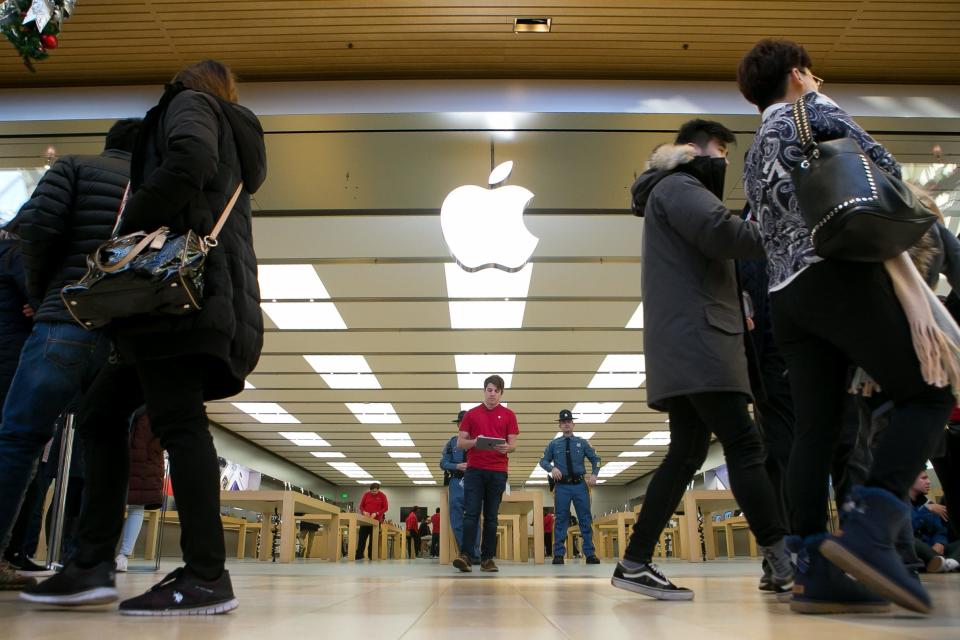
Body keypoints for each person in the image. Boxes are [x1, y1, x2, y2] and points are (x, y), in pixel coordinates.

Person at [23, 60, 267, 616]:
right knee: (102, 411)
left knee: (176, 423)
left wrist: (126, 228)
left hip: (176, 304)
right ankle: (90, 564)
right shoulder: (233, 128)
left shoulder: (190, 105)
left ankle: (206, 574)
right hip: (194, 302)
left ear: (185, 80)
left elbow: (188, 161)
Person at [738, 38, 954, 615]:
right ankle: (871, 528)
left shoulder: (754, 149)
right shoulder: (815, 111)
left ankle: (812, 571)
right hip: (837, 274)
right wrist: (819, 99)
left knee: (816, 428)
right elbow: (883, 170)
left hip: (787, 298)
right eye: (809, 70)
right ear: (796, 72)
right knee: (929, 392)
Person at [610, 120, 793, 601]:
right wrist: (782, 225)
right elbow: (723, 233)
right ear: (692, 149)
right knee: (744, 443)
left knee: (687, 454)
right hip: (703, 340)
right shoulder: (680, 184)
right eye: (721, 150)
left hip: (685, 344)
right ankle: (782, 560)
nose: (726, 161)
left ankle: (634, 562)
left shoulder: (666, 192)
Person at [0, 119, 137, 591]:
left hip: (63, 320)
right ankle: (89, 565)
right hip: (122, 337)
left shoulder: (74, 167)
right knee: (105, 445)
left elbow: (33, 230)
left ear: (109, 143)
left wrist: (43, 294)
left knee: (19, 438)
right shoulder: (156, 189)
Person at [453, 375, 519, 573]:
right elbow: (460, 443)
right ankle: (465, 555)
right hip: (475, 471)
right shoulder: (471, 415)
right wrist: (476, 442)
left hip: (498, 471)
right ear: (484, 391)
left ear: (501, 393)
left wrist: (507, 448)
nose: (492, 394)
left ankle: (487, 559)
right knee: (471, 514)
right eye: (489, 390)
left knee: (491, 517)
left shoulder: (509, 415)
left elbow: (513, 444)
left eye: (496, 391)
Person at [540, 409, 601, 564]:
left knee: (585, 519)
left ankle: (590, 553)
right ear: (560, 425)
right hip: (562, 487)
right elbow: (543, 461)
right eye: (563, 422)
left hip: (580, 486)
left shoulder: (583, 442)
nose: (566, 424)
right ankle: (559, 554)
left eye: (569, 422)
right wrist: (552, 469)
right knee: (561, 519)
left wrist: (594, 474)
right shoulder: (553, 444)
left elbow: (596, 459)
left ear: (573, 424)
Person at [115, 410, 164, 572]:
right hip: (144, 459)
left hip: (144, 460)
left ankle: (122, 555)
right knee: (133, 505)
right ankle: (121, 555)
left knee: (134, 505)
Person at [440, 410, 480, 561]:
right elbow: (443, 463)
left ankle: (475, 554)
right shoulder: (451, 443)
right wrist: (457, 466)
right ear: (458, 425)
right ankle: (465, 553)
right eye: (462, 423)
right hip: (456, 482)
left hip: (475, 482)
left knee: (475, 518)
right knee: (456, 519)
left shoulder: (479, 442)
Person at [909, 470, 959, 573]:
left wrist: (939, 543)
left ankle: (948, 563)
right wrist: (926, 510)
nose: (928, 482)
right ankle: (948, 563)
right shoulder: (899, 504)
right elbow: (906, 528)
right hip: (916, 552)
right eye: (924, 478)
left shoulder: (930, 504)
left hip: (935, 551)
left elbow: (940, 531)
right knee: (911, 541)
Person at [356, 482, 388, 560]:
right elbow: (361, 506)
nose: (373, 493)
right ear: (370, 490)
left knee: (373, 539)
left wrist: (376, 513)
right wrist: (364, 512)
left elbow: (385, 508)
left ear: (378, 490)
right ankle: (359, 555)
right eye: (372, 491)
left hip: (376, 521)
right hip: (365, 520)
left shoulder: (382, 496)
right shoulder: (366, 494)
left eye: (375, 491)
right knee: (362, 538)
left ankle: (371, 555)